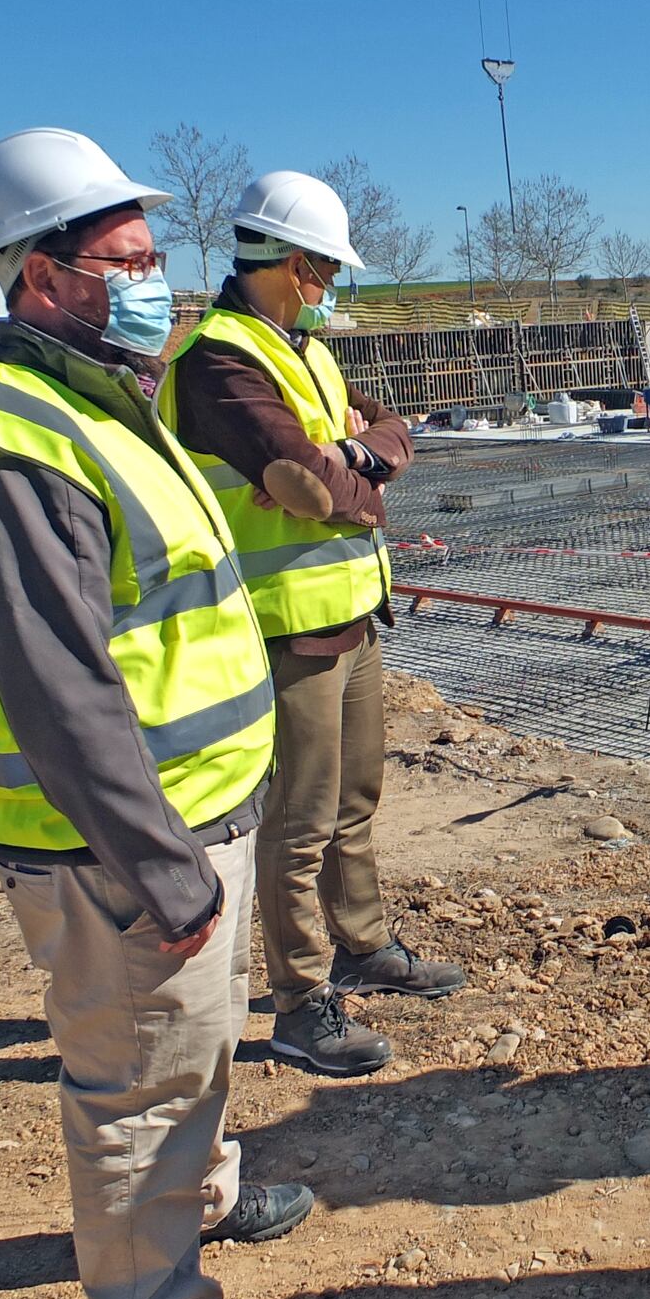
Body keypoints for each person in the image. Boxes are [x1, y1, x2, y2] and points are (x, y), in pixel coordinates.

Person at [0, 129, 314, 1299]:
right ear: (38, 278)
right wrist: (164, 869)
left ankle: (206, 1197)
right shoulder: (11, 448)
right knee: (137, 1086)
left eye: (151, 253)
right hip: (120, 848)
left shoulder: (95, 403)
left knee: (191, 1059)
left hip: (188, 816)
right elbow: (59, 696)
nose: (154, 279)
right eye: (122, 258)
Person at [159, 171, 462, 1081]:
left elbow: (384, 436)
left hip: (353, 616)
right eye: (327, 271)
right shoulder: (220, 360)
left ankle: (361, 946)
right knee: (299, 823)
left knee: (355, 802)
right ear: (295, 265)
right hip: (286, 627)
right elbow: (316, 489)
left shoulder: (306, 351)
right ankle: (298, 1004)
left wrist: (357, 458)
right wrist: (350, 475)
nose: (332, 288)